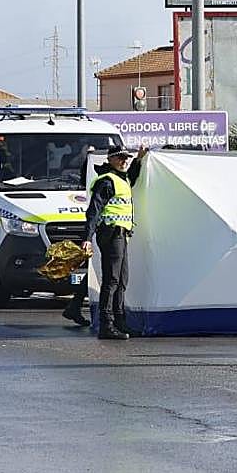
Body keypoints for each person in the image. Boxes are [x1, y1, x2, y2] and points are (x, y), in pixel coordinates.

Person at [80, 145, 149, 339]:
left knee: (122, 280)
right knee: (111, 280)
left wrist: (139, 158)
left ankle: (120, 322)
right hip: (111, 233)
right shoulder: (107, 182)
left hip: (121, 234)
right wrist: (87, 238)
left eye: (126, 158)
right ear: (110, 159)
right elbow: (93, 211)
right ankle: (106, 325)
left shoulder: (122, 179)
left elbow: (132, 176)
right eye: (120, 158)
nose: (124, 161)